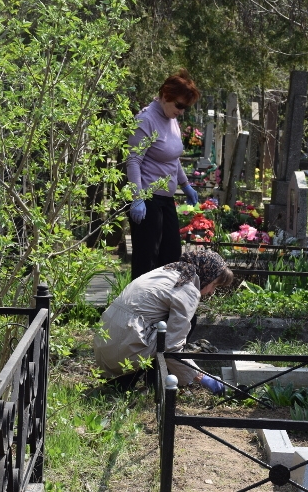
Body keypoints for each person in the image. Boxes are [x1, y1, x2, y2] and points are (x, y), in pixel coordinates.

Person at [94, 250, 233, 394]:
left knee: (167, 325)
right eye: (214, 285)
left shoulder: (166, 271)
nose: (211, 292)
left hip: (106, 343)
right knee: (188, 321)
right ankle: (156, 384)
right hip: (125, 347)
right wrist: (201, 377)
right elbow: (171, 347)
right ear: (207, 274)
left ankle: (124, 382)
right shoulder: (187, 289)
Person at [127, 69, 200, 280]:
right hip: (147, 198)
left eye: (185, 107)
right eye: (179, 105)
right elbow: (133, 160)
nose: (181, 111)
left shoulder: (171, 119)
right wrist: (137, 198)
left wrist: (185, 184)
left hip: (166, 199)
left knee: (170, 256)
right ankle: (140, 309)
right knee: (147, 259)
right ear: (166, 95)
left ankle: (161, 308)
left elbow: (172, 157)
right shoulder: (146, 119)